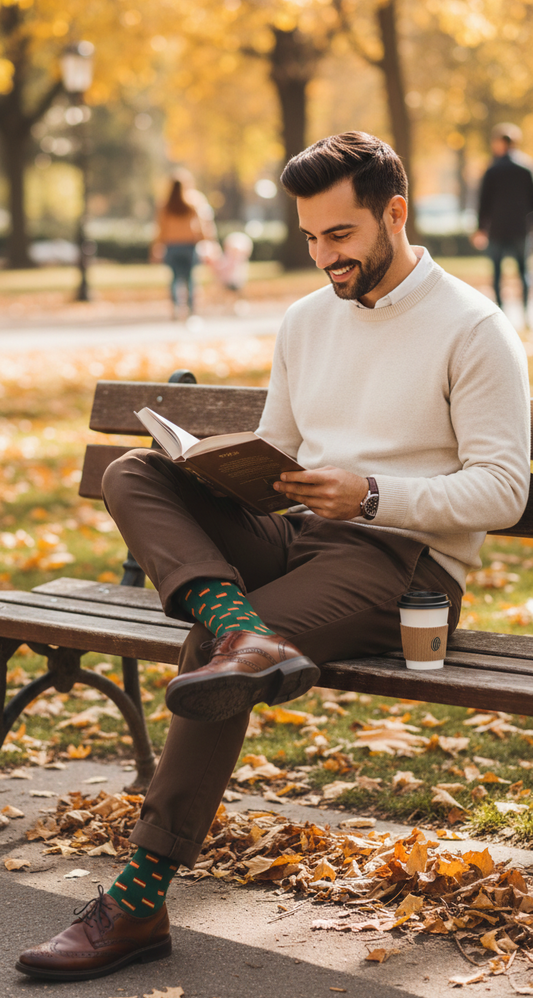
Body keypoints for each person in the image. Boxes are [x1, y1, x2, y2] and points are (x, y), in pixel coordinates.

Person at [17, 131, 531, 982]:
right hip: (296, 536)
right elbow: (282, 450)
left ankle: (138, 900)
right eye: (310, 238)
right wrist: (223, 464)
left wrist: (371, 493)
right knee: (136, 470)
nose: (324, 256)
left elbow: (502, 490)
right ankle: (238, 627)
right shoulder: (305, 319)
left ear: (392, 214)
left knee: (214, 660)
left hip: (400, 566)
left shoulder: (472, 327)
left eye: (340, 236)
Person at [473, 122, 533, 314]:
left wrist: (481, 228)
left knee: (497, 272)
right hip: (520, 228)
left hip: (497, 229)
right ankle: (525, 311)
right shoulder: (525, 169)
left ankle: (500, 311)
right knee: (523, 270)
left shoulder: (492, 170)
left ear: (499, 143)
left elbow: (484, 203)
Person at [152, 172, 214, 319]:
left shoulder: (165, 205)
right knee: (190, 279)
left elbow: (160, 229)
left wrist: (155, 247)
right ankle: (192, 309)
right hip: (189, 246)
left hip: (171, 246)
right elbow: (201, 225)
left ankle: (175, 309)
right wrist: (207, 241)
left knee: (174, 279)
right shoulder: (192, 202)